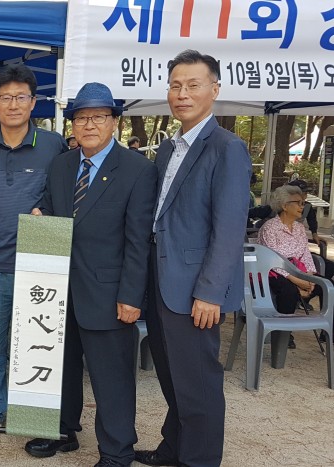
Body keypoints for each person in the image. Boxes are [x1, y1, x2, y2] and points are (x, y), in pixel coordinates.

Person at [24, 82, 157, 466]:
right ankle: (62, 430)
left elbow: (138, 241)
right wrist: (40, 217)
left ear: (114, 122)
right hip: (56, 292)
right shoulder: (62, 165)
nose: (89, 125)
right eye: (81, 118)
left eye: (98, 116)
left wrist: (131, 296)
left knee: (111, 379)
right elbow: (50, 208)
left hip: (108, 294)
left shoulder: (138, 170)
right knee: (58, 366)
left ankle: (116, 452)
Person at [138, 50, 251, 467]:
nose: (182, 94)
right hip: (161, 280)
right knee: (173, 376)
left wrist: (210, 292)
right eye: (175, 86)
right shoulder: (169, 148)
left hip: (195, 289)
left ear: (214, 90)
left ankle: (198, 460)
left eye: (192, 85)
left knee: (198, 383)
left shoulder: (227, 148)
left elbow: (229, 228)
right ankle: (174, 449)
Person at [0, 64, 68, 446]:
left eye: (21, 97)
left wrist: (47, 209)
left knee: (38, 343)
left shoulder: (54, 145)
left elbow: (64, 193)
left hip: (41, 266)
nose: (13, 104)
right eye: (6, 97)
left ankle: (34, 411)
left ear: (33, 102)